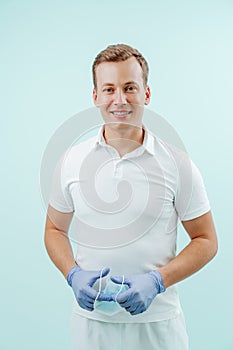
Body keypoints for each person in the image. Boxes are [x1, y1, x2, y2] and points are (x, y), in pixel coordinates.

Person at [44, 43, 218, 350]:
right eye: (109, 89)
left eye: (130, 88)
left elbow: (206, 240)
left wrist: (158, 281)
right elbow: (54, 230)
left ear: (146, 94)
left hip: (158, 328)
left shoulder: (178, 164)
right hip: (91, 327)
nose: (120, 100)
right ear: (95, 96)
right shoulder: (71, 161)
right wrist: (72, 274)